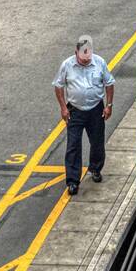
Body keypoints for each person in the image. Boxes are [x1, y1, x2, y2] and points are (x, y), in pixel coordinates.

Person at [52, 35, 115, 196]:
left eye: (88, 60)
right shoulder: (67, 65)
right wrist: (63, 108)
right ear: (76, 53)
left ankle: (95, 168)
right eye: (83, 60)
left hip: (96, 109)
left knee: (97, 142)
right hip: (75, 110)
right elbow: (58, 86)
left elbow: (109, 83)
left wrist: (109, 105)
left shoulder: (99, 62)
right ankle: (73, 181)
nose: (86, 62)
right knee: (73, 145)